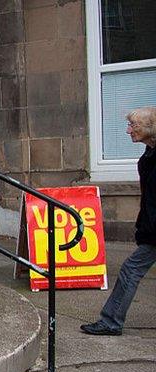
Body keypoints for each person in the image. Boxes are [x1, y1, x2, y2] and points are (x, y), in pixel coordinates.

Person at [81, 106, 156, 336]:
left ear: (151, 128)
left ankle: (111, 321)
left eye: (134, 125)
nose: (128, 130)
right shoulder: (148, 155)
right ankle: (111, 320)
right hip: (152, 230)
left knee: (129, 270)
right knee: (130, 270)